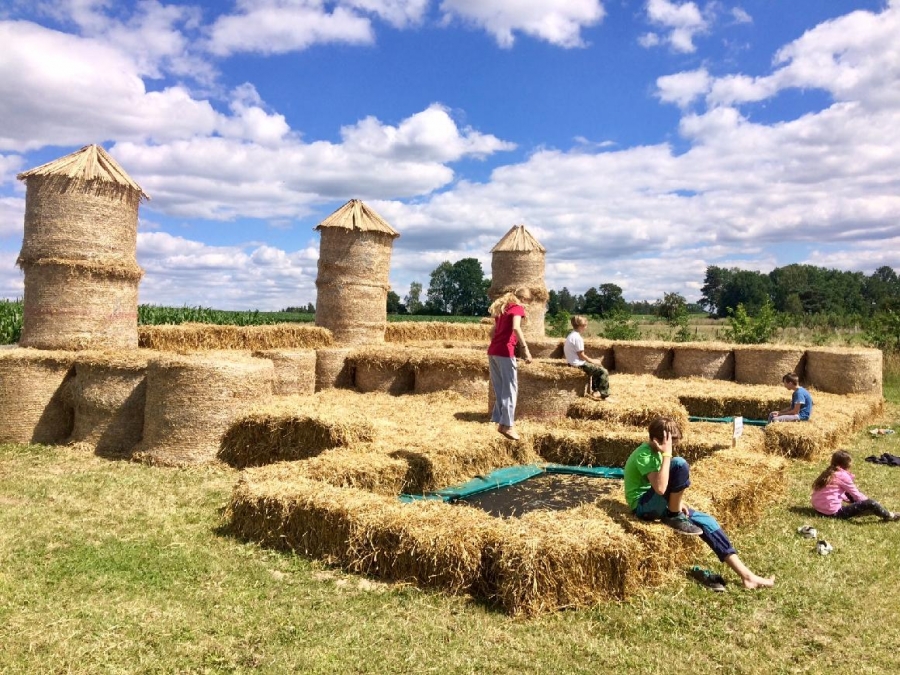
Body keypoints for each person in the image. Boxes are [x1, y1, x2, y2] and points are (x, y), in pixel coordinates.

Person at [624, 417, 775, 590]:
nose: (674, 448)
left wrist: (677, 501)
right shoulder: (644, 454)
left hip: (659, 503)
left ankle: (747, 576)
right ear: (657, 441)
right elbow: (659, 488)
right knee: (679, 464)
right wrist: (667, 454)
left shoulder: (657, 452)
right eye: (671, 444)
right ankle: (674, 515)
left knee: (708, 522)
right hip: (643, 507)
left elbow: (665, 488)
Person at [487, 288, 532, 441]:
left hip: (493, 352)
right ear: (523, 298)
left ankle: (501, 423)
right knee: (511, 389)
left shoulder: (503, 309)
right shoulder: (517, 308)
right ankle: (509, 425)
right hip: (505, 353)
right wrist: (525, 349)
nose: (527, 304)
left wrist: (497, 342)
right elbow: (516, 327)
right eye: (528, 300)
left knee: (500, 389)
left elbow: (491, 333)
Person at [811, 450, 899, 521]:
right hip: (832, 513)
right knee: (871, 503)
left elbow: (835, 492)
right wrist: (868, 503)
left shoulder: (829, 472)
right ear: (848, 464)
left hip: (818, 509)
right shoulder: (842, 476)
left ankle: (867, 509)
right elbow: (856, 494)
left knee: (849, 494)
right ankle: (889, 515)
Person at [563, 315, 610, 400]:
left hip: (571, 362)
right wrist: (593, 361)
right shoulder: (578, 338)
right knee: (603, 371)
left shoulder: (570, 335)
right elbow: (581, 355)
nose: (586, 327)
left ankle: (596, 391)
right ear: (581, 326)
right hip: (578, 364)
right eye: (585, 325)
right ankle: (604, 394)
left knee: (596, 369)